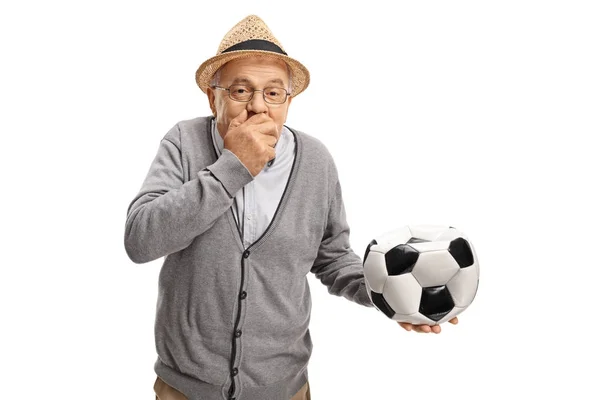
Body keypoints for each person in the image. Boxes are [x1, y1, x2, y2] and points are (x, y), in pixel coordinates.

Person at [124, 14, 457, 400]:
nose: (258, 107)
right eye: (239, 91)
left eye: (273, 93)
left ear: (289, 100)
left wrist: (392, 295)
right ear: (212, 96)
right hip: (185, 388)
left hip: (283, 388)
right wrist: (232, 167)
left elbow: (332, 258)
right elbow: (140, 240)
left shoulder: (315, 160)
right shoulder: (184, 141)